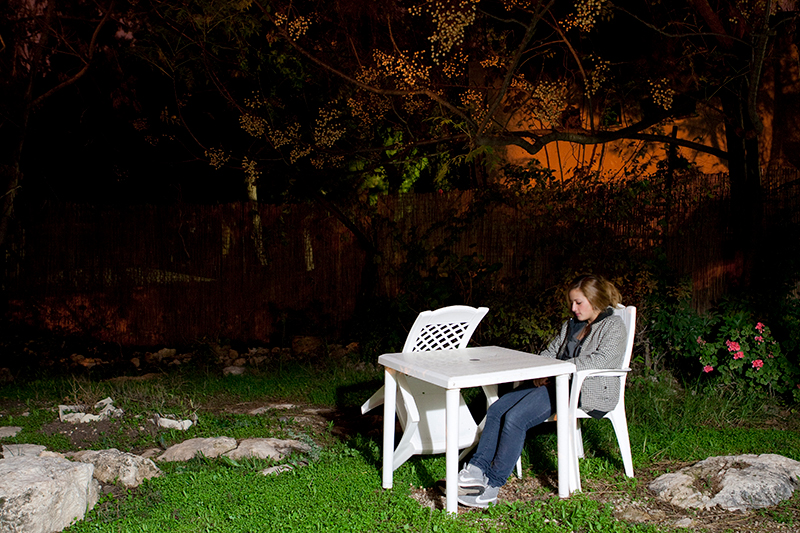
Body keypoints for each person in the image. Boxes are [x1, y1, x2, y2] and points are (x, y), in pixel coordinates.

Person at [457, 274, 628, 508]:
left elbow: (602, 359)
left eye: (579, 302)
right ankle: (475, 471)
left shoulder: (613, 326)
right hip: (555, 381)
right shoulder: (571, 325)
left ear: (595, 300)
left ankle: (492, 487)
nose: (573, 307)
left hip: (580, 388)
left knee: (516, 418)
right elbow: (551, 351)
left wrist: (555, 370)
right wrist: (540, 370)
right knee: (497, 409)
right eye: (572, 302)